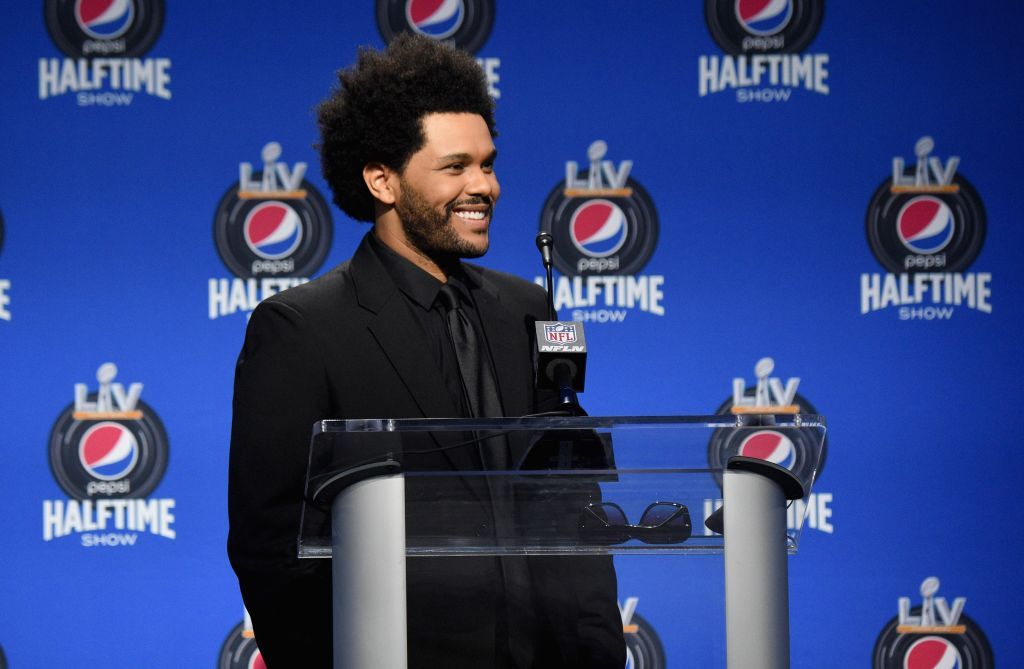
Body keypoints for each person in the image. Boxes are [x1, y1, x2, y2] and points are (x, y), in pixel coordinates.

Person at [227, 33, 625, 668]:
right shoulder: (303, 329)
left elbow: (571, 506)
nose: (485, 186)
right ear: (382, 180)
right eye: (455, 167)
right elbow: (273, 551)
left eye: (488, 164)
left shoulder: (527, 309)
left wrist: (598, 654)